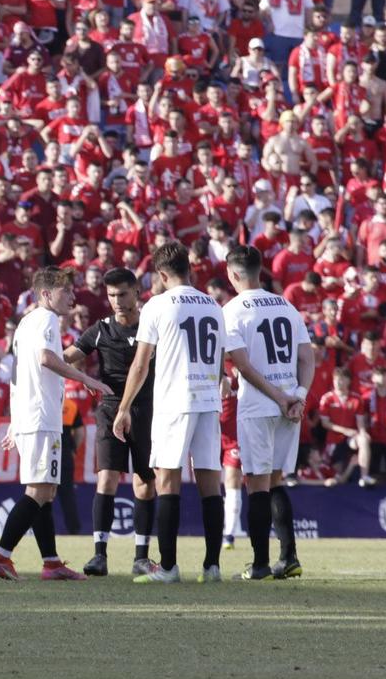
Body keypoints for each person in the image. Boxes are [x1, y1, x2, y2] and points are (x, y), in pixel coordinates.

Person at [0, 268, 109, 581]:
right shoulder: (46, 319)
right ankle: (1, 556)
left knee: (46, 490)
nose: (72, 296)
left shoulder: (26, 322)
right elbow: (46, 359)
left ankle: (51, 562)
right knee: (40, 490)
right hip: (42, 416)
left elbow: (18, 374)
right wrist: (86, 378)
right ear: (45, 294)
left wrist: (15, 421)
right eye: (65, 291)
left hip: (30, 415)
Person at [115, 244, 228, 583]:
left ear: (162, 275)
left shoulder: (158, 305)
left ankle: (168, 567)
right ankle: (212, 567)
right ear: (188, 269)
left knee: (167, 480)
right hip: (208, 399)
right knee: (210, 482)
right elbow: (221, 360)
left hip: (175, 401)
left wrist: (123, 408)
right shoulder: (213, 305)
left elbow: (140, 363)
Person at [221, 245, 315, 580]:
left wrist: (278, 398)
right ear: (260, 270)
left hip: (262, 405)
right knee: (276, 481)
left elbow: (243, 367)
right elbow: (307, 358)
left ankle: (260, 564)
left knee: (257, 484)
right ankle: (288, 557)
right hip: (290, 405)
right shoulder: (287, 306)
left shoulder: (232, 311)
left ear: (232, 274)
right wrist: (298, 397)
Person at [66, 267, 157, 576]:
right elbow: (67, 357)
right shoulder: (101, 329)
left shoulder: (150, 325)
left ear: (136, 293)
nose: (117, 301)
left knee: (144, 482)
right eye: (112, 295)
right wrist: (40, 351)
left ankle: (141, 557)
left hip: (146, 410)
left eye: (122, 294)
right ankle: (99, 555)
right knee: (107, 478)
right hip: (110, 409)